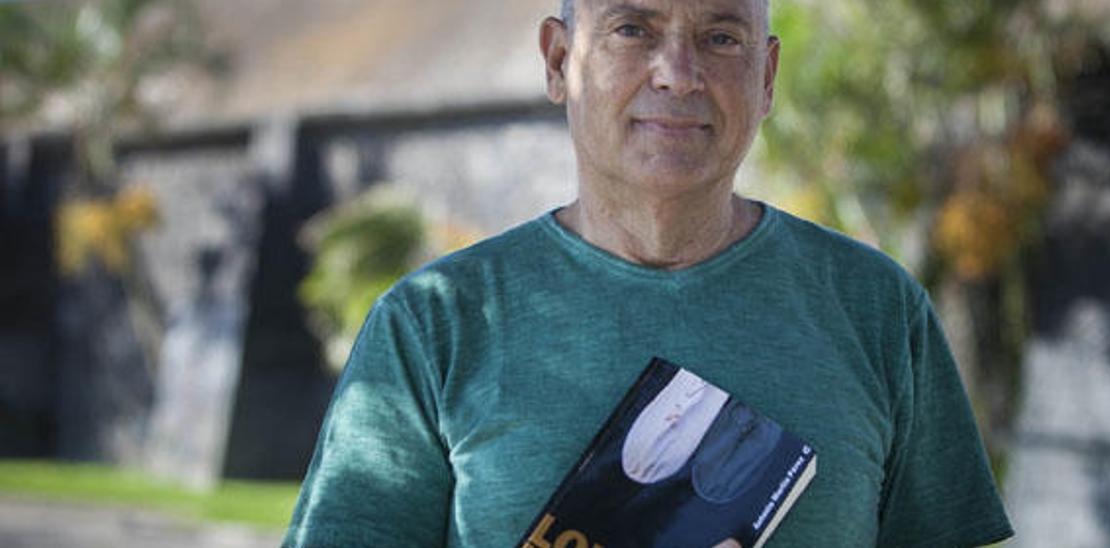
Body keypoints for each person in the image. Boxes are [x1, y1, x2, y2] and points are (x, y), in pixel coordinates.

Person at [283, 0, 1014, 546]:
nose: (679, 74)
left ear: (766, 77)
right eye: (633, 28)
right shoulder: (433, 325)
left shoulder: (877, 309)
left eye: (721, 37)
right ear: (558, 61)